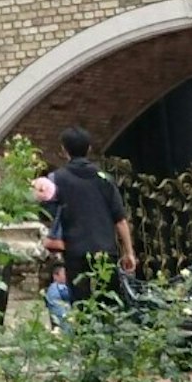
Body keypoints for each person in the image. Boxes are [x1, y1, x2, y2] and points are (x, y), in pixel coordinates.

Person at [44, 125, 137, 308]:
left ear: (64, 150)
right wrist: (129, 252)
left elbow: (49, 212)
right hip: (105, 251)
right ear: (89, 149)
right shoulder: (104, 179)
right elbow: (120, 220)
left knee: (80, 305)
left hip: (75, 251)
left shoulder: (56, 179)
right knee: (111, 304)